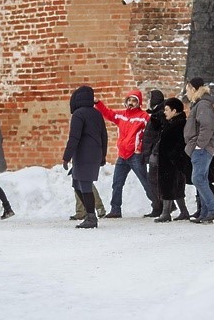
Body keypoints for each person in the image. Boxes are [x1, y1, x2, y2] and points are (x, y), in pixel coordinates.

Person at [94, 90, 153, 218]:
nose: (131, 103)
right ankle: (115, 209)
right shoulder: (121, 115)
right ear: (126, 101)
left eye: (134, 101)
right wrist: (98, 103)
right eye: (129, 100)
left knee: (145, 181)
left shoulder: (144, 117)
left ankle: (158, 205)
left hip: (135, 155)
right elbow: (108, 113)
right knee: (117, 183)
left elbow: (149, 135)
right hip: (122, 155)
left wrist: (140, 148)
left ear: (139, 103)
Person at [62, 85, 108, 229]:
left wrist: (66, 157)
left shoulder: (78, 114)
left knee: (85, 186)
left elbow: (74, 137)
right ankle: (90, 214)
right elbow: (104, 135)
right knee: (77, 184)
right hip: (94, 153)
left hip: (83, 154)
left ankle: (91, 218)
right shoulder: (96, 113)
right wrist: (103, 154)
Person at [184, 77, 214, 223]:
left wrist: (199, 145)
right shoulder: (199, 104)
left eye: (188, 89)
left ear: (194, 89)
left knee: (197, 179)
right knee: (202, 179)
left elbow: (207, 127)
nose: (186, 92)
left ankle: (213, 210)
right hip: (199, 148)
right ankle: (205, 214)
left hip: (202, 148)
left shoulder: (203, 105)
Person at [153, 97, 191, 222]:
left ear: (174, 111)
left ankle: (166, 212)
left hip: (172, 161)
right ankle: (184, 211)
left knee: (168, 185)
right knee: (176, 186)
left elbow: (178, 143)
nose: (165, 112)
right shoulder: (174, 122)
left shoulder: (178, 124)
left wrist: (172, 156)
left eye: (167, 110)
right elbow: (156, 126)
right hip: (172, 160)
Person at [141, 89, 166, 217]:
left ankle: (160, 207)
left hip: (157, 153)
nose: (147, 101)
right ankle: (160, 206)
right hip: (153, 152)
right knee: (155, 181)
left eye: (149, 99)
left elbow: (159, 135)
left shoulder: (160, 114)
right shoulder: (156, 113)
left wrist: (154, 150)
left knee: (154, 180)